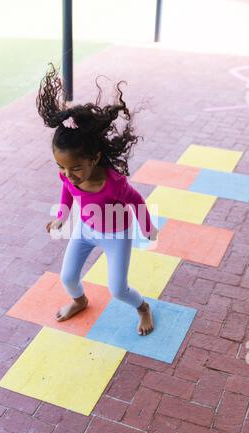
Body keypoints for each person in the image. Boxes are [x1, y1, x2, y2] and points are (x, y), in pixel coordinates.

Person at [36, 64, 158, 335]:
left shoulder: (113, 182)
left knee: (118, 290)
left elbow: (137, 201)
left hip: (117, 235)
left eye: (76, 168)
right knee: (67, 277)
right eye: (61, 167)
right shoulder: (69, 176)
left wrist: (147, 227)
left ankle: (143, 308)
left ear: (94, 159)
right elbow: (67, 191)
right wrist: (61, 218)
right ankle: (80, 300)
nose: (69, 175)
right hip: (85, 230)